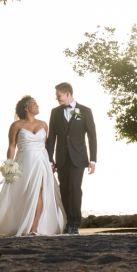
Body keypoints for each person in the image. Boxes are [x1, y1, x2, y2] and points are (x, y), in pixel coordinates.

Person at [0, 95, 66, 237]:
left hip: (41, 161)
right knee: (24, 192)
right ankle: (19, 222)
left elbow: (46, 145)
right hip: (24, 162)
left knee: (40, 190)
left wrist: (51, 162)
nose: (37, 106)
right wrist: (10, 164)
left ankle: (34, 227)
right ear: (26, 107)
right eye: (34, 103)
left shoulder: (44, 124)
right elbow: (12, 146)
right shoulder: (16, 125)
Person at [45, 82, 97, 235]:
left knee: (75, 189)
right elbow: (51, 138)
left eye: (58, 95)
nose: (57, 98)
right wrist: (50, 160)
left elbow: (92, 136)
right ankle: (67, 222)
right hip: (61, 159)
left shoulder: (84, 111)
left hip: (78, 158)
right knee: (64, 190)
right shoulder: (55, 112)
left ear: (67, 94)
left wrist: (93, 160)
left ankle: (74, 223)